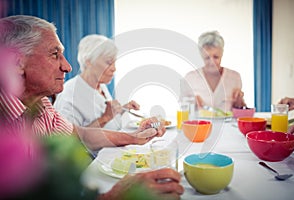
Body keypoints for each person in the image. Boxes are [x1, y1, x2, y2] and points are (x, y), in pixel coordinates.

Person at [0, 15, 183, 199]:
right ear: (17, 63)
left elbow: (80, 134)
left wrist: (135, 137)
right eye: (55, 54)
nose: (67, 66)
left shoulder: (42, 106)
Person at [54, 34, 138, 130]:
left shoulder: (100, 85)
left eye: (115, 62)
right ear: (88, 61)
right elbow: (68, 141)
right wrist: (105, 118)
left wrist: (123, 109)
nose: (114, 68)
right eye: (109, 62)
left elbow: (105, 117)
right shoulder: (69, 95)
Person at [181, 31, 246, 112]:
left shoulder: (235, 77)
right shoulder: (190, 78)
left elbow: (240, 110)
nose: (212, 63)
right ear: (201, 56)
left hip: (228, 124)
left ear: (222, 54)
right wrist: (191, 103)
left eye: (216, 57)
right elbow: (183, 111)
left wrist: (239, 102)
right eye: (207, 58)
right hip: (199, 124)